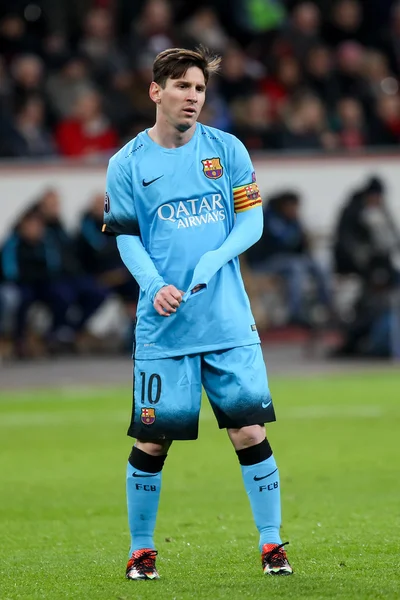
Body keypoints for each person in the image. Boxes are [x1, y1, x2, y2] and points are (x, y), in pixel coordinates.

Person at [102, 46, 293, 580]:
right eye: (183, 86)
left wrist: (215, 257)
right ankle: (142, 551)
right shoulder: (127, 164)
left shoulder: (226, 149)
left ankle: (272, 545)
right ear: (155, 91)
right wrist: (154, 284)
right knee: (152, 439)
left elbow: (250, 223)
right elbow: (127, 238)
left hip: (228, 321)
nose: (193, 97)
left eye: (200, 88)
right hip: (164, 326)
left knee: (248, 431)